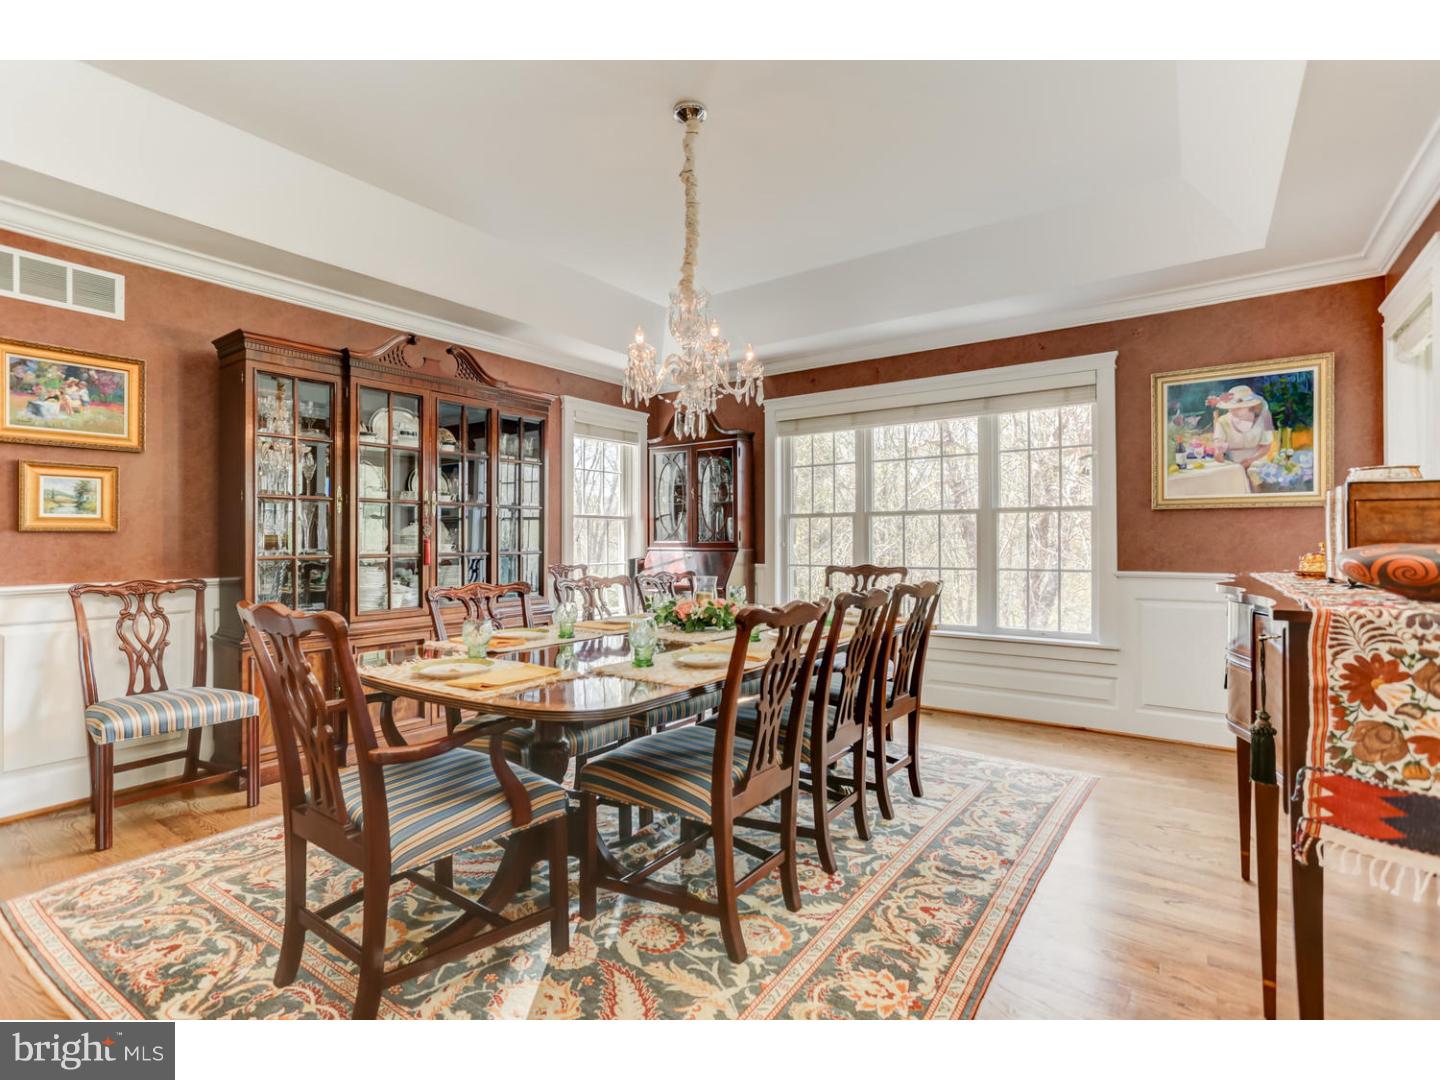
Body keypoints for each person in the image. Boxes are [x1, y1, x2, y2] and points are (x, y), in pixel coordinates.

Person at [1210, 385, 1273, 470]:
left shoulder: (1265, 418)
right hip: (1232, 465)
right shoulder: (1222, 421)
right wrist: (1219, 453)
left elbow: (1266, 446)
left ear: (1249, 406)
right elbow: (1218, 448)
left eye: (1238, 408)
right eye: (1231, 408)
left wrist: (1251, 460)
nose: (1234, 411)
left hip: (1257, 462)